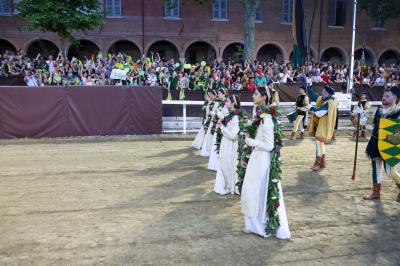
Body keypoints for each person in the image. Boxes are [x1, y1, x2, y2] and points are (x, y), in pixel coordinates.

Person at [240, 86, 291, 239]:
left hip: (262, 159)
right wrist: (247, 155)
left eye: (256, 94)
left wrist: (249, 141)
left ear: (264, 97)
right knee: (251, 191)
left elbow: (269, 145)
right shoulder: (260, 114)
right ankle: (252, 225)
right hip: (256, 157)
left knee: (257, 192)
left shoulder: (267, 117)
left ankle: (260, 227)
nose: (253, 96)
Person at [364, 86, 400, 202]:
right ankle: (376, 193)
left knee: (390, 173)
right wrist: (362, 117)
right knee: (376, 168)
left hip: (389, 144)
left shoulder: (398, 112)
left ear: (395, 98)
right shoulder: (379, 110)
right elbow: (371, 125)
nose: (383, 98)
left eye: (387, 96)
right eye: (383, 95)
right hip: (375, 142)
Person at [214, 95, 240, 195]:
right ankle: (228, 185)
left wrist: (222, 127)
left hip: (230, 144)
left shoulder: (235, 117)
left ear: (233, 103)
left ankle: (230, 186)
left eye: (228, 101)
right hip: (226, 143)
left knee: (228, 164)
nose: (226, 102)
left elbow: (233, 135)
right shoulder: (230, 115)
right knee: (224, 163)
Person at [308, 85, 338, 171]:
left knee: (319, 144)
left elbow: (319, 113)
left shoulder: (328, 103)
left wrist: (311, 108)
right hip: (324, 125)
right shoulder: (329, 100)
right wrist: (310, 86)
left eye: (324, 91)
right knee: (321, 144)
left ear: (327, 93)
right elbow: (316, 96)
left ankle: (318, 164)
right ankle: (322, 162)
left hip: (324, 126)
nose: (322, 93)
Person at [208, 89, 227, 171]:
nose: (218, 95)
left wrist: (217, 113)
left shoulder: (227, 103)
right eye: (218, 93)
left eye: (219, 93)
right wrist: (214, 114)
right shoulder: (218, 103)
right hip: (218, 125)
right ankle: (214, 164)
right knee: (215, 144)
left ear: (224, 94)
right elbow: (214, 113)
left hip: (223, 126)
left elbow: (225, 116)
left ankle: (219, 165)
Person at [200, 90, 217, 157]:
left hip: (211, 119)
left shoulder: (214, 103)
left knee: (208, 134)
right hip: (207, 118)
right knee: (206, 133)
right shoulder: (207, 102)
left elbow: (212, 112)